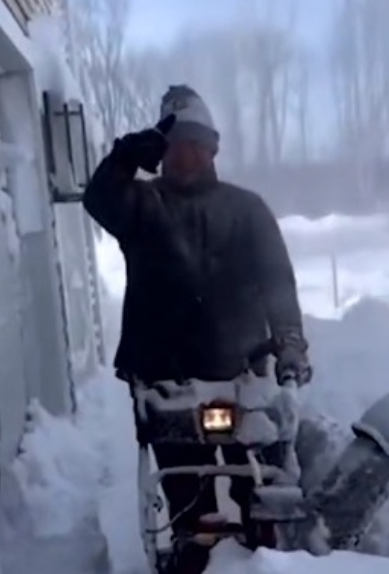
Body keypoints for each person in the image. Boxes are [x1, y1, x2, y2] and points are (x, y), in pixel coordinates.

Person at [82, 85, 311, 573]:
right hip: (165, 373)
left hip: (243, 368)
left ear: (213, 147)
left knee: (259, 476)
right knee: (187, 488)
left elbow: (277, 282)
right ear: (163, 151)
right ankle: (194, 544)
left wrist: (290, 343)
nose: (186, 152)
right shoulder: (141, 205)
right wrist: (123, 159)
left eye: (196, 142)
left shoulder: (247, 209)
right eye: (177, 142)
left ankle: (260, 551)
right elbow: (98, 200)